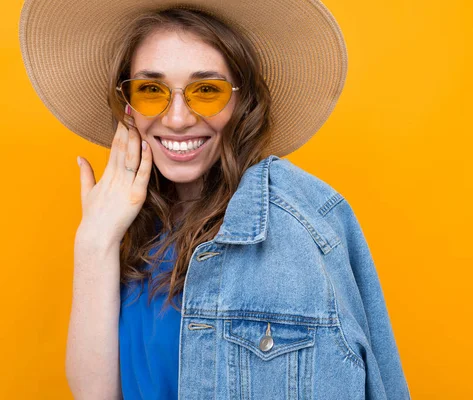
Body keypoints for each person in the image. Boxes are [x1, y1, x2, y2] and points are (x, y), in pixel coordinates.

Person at [19, 1, 411, 399]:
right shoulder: (133, 223)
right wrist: (94, 241)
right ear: (129, 107)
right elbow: (96, 394)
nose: (176, 118)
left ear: (242, 102)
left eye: (206, 90)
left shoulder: (298, 226)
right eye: (151, 90)